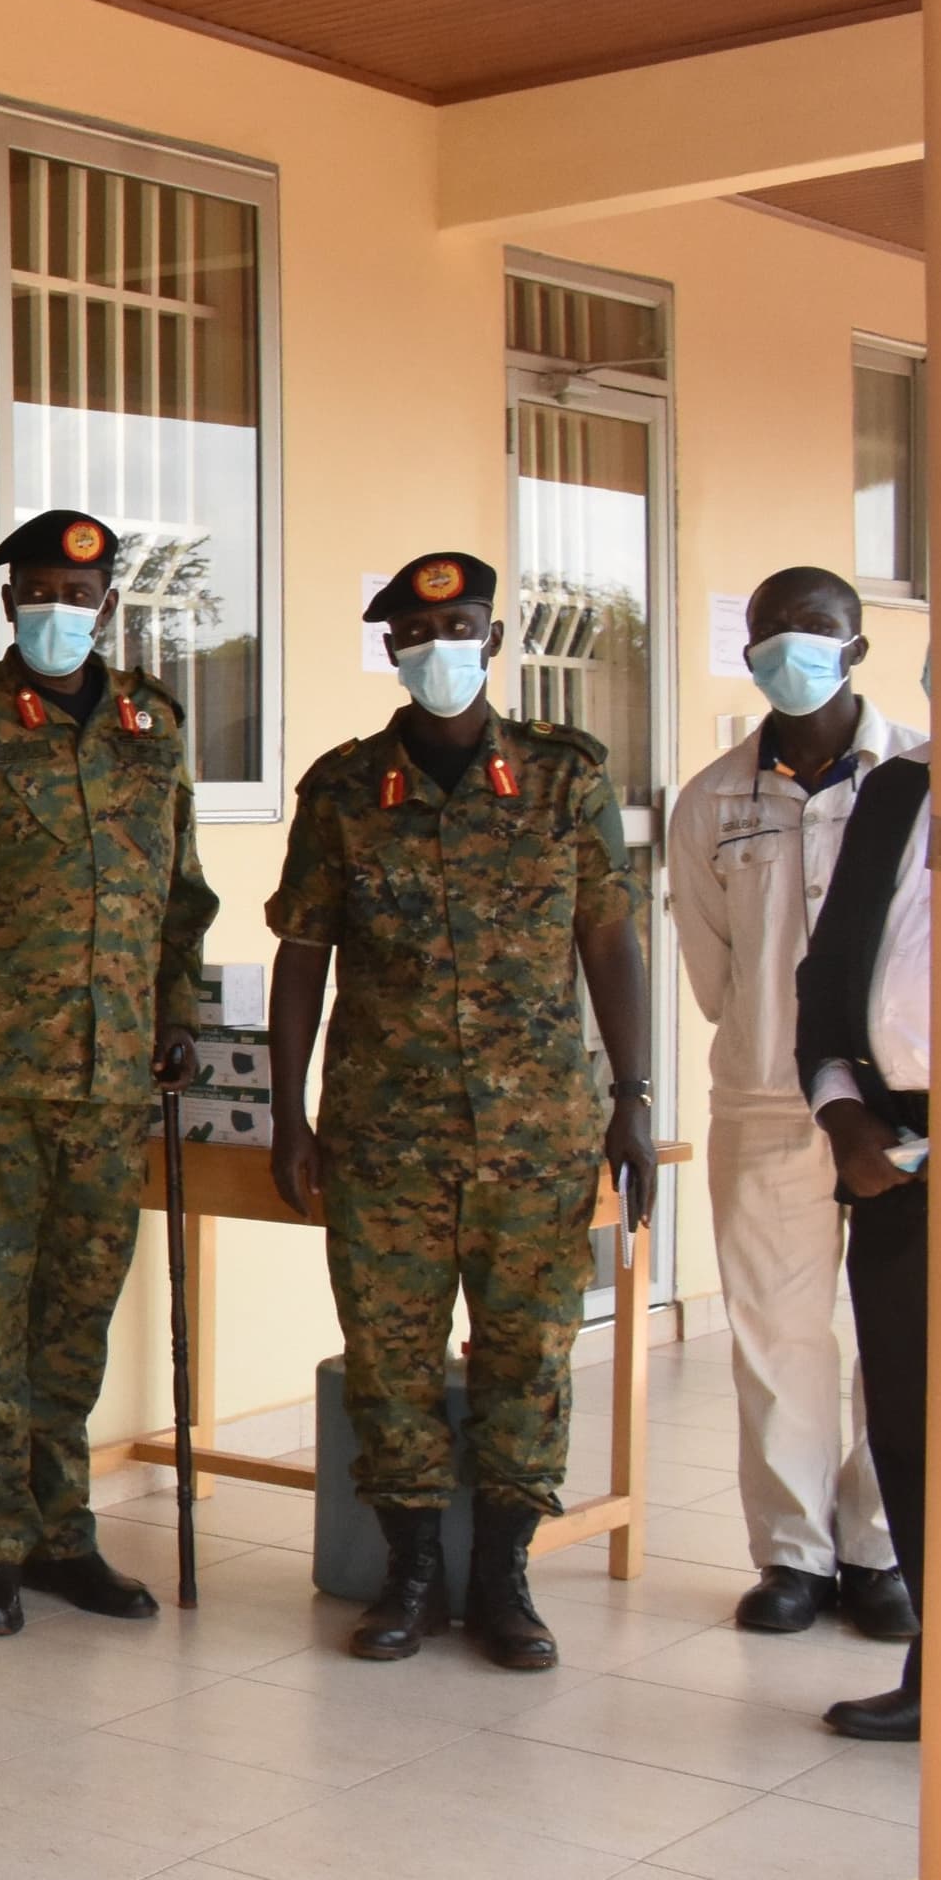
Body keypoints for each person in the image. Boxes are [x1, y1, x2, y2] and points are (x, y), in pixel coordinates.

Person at [266, 549, 652, 1674]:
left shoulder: (564, 777)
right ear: (394, 649)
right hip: (385, 1131)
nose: (443, 647)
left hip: (538, 1130)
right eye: (421, 633)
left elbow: (609, 938)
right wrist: (290, 1115)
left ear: (493, 637)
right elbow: (302, 955)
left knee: (527, 1351)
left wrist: (631, 1098)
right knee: (389, 1352)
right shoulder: (342, 789)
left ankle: (505, 1580)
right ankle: (411, 1570)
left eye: (465, 625)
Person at [0, 508, 218, 1638]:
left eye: (81, 595)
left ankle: (66, 1532)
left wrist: (175, 1013)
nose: (60, 612)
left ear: (109, 602)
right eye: (39, 594)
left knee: (75, 1318)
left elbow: (183, 894)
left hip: (112, 1087)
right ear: (9, 601)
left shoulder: (152, 725)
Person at [673, 565, 917, 1641]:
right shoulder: (712, 799)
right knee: (778, 1333)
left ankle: (880, 1549)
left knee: (896, 1334)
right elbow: (713, 967)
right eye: (771, 631)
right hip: (769, 1093)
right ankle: (793, 1557)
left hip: (899, 1101)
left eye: (815, 630)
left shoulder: (916, 780)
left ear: (857, 647)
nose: (791, 648)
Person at [795, 715, 931, 1740]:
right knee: (913, 1421)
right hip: (903, 1156)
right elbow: (828, 979)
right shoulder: (895, 795)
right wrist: (843, 1115)